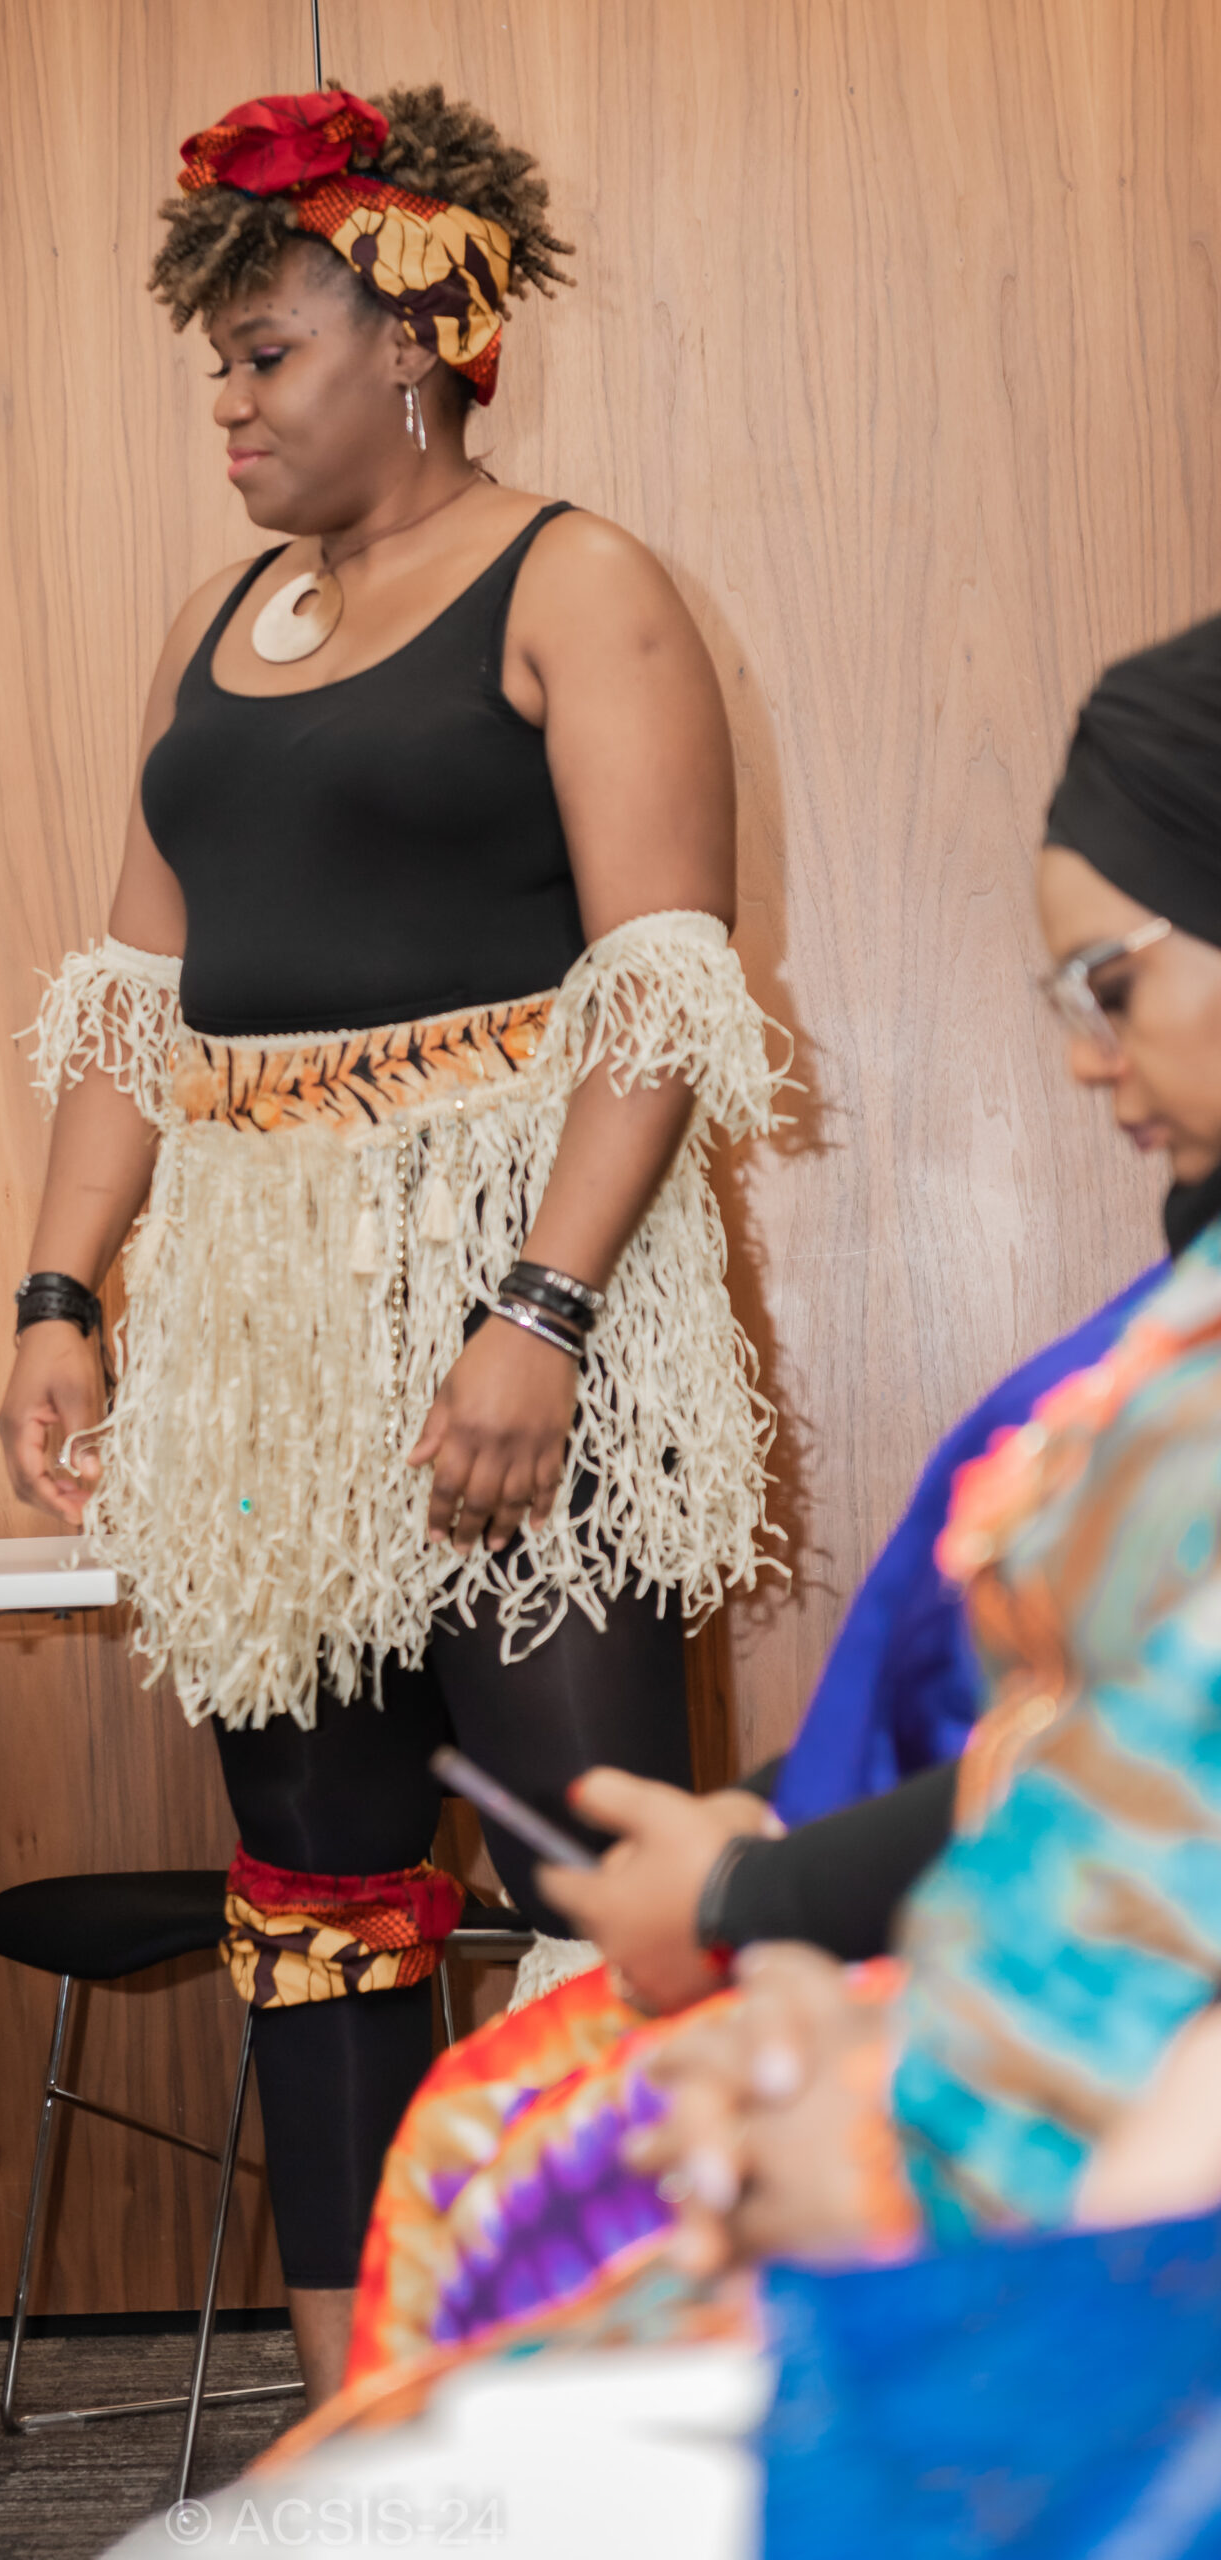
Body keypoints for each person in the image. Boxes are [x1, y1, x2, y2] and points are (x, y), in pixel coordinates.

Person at [0, 82, 786, 2398]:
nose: (226, 405)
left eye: (265, 355)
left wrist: (534, 1312)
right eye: (216, 364)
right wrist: (61, 1290)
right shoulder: (215, 619)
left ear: (420, 337)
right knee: (313, 1874)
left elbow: (657, 983)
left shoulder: (576, 581)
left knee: (584, 1863)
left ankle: (640, 2408)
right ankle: (368, 2425)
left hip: (514, 1297)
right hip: (257, 1332)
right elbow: (130, 1000)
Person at [300, 610, 1221, 2413]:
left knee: (529, 2181)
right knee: (500, 2129)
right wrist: (772, 1878)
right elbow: (1089, 1753)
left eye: (1110, 985)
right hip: (1036, 2043)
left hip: (1099, 2149)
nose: (1085, 1059)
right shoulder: (1177, 1322)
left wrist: (776, 1933)